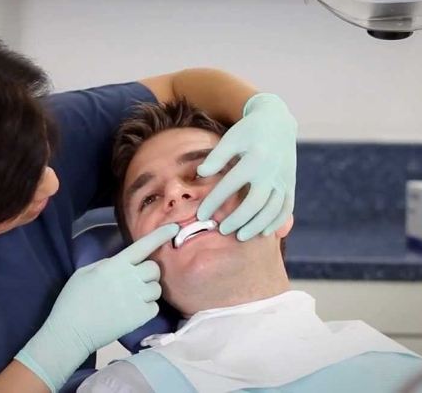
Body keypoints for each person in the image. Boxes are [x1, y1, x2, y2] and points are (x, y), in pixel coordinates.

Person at [0, 17, 297, 393]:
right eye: (148, 197)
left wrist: (266, 112)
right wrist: (58, 347)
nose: (53, 182)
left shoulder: (1, 129)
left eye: (45, 154)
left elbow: (183, 86)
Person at [78, 101, 422, 393]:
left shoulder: (400, 373)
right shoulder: (126, 386)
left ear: (278, 209)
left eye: (201, 172)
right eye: (148, 198)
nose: (174, 193)